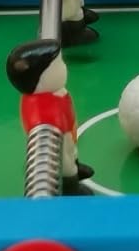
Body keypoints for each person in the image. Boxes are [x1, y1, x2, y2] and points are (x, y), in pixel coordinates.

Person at [6, 38, 94, 195]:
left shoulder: (56, 92)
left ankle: (75, 165)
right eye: (59, 65)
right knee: (64, 162)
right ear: (41, 77)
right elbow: (50, 127)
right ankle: (70, 186)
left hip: (69, 132)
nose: (65, 67)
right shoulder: (41, 107)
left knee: (71, 151)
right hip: (60, 138)